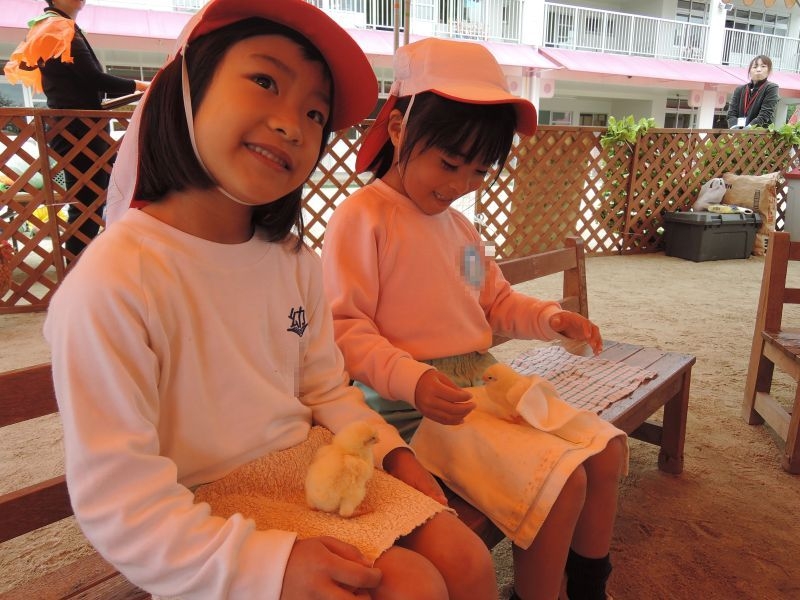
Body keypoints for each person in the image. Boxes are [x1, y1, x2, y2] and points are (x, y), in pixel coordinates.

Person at [42, 2, 497, 598]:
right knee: (412, 586)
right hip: (204, 505)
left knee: (468, 563)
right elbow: (118, 500)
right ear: (186, 87)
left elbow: (330, 387)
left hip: (329, 455)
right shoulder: (115, 282)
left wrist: (391, 454)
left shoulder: (306, 260)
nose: (292, 124)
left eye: (315, 112)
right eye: (265, 81)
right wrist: (269, 567)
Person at [321, 38, 628, 600]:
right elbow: (344, 328)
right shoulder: (362, 217)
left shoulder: (461, 232)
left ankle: (588, 585)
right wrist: (411, 378)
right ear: (397, 131)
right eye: (449, 163)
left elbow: (491, 301)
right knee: (561, 483)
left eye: (480, 171)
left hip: (479, 382)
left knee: (608, 451)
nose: (461, 184)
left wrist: (551, 319)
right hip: (411, 403)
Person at [4, 0, 149, 259]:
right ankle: (77, 266)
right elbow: (94, 79)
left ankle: (83, 263)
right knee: (89, 204)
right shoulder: (57, 27)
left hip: (73, 129)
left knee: (98, 197)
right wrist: (142, 85)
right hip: (79, 130)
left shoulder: (50, 25)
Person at [727, 55, 779, 129]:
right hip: (737, 134)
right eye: (755, 67)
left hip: (759, 135)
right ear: (750, 71)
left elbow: (765, 114)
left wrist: (749, 128)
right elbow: (731, 113)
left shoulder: (771, 87)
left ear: (769, 70)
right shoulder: (739, 89)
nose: (758, 69)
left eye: (763, 66)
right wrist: (734, 127)